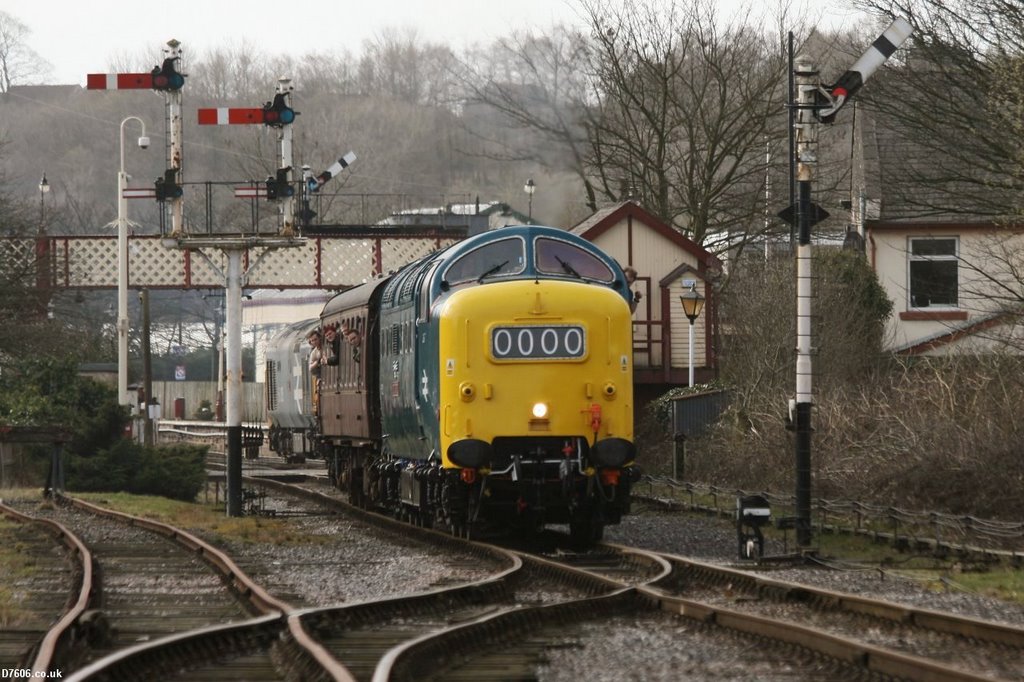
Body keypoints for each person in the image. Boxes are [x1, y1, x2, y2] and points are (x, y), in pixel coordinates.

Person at [307, 329, 324, 413]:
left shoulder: (325, 347)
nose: (314, 342)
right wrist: (317, 362)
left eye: (315, 339)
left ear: (320, 338)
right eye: (312, 341)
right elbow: (310, 368)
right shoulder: (314, 353)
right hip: (320, 375)